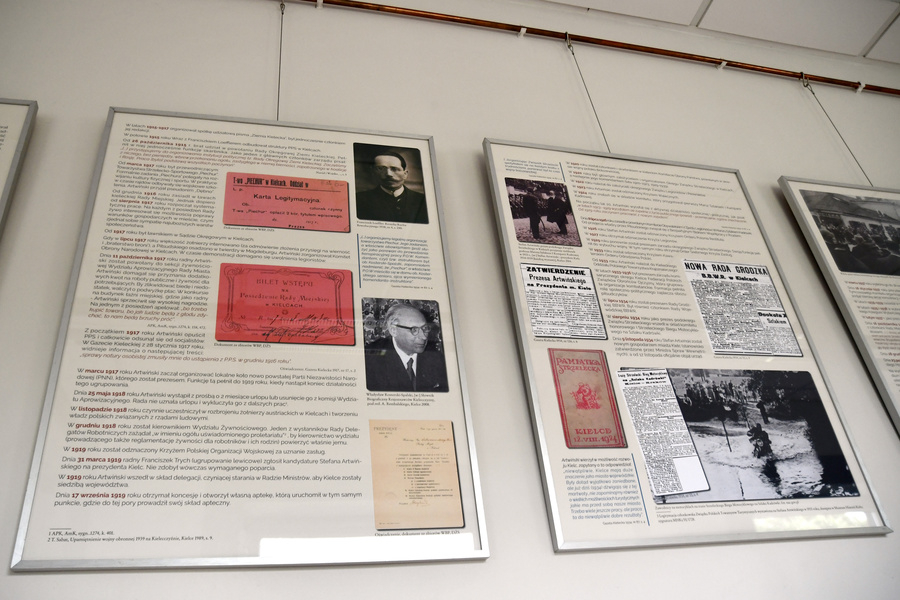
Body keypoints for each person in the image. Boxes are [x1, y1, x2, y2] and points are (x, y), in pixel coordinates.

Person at [365, 304, 448, 392]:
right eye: (414, 330)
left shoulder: (436, 357)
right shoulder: (369, 360)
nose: (424, 337)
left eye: (425, 328)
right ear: (393, 330)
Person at [356, 151, 428, 223]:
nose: (388, 174)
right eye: (381, 168)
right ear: (373, 172)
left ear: (405, 174)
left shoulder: (423, 200)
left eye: (394, 169)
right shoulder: (359, 199)